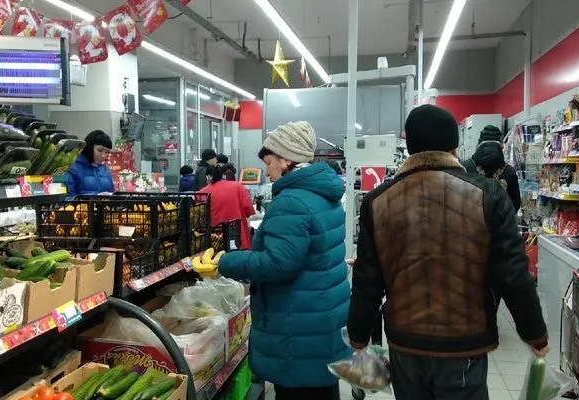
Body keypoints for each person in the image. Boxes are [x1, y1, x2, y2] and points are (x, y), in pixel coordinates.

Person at [347, 105, 548, 400]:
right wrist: (534, 333)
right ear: (454, 148)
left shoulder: (378, 201)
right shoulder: (489, 195)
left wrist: (358, 336)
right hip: (464, 343)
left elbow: (367, 279)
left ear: (410, 148)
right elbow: (513, 274)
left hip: (405, 342)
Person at [218, 121, 350, 400]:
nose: (267, 171)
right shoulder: (324, 194)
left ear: (286, 159)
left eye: (269, 162)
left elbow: (278, 264)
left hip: (296, 323)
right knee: (322, 387)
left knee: (298, 391)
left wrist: (228, 262)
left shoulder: (291, 201)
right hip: (320, 315)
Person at [462, 125, 521, 211]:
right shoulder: (509, 171)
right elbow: (515, 204)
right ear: (501, 145)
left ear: (478, 144)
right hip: (500, 218)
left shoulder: (465, 167)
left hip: (470, 217)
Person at [197, 165, 255, 249]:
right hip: (237, 236)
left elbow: (198, 217)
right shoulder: (237, 186)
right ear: (223, 175)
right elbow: (248, 210)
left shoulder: (201, 193)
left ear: (208, 177)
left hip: (213, 239)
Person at [66, 130, 114, 197]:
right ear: (89, 147)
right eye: (100, 150)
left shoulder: (105, 169)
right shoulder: (73, 168)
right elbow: (67, 198)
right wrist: (94, 198)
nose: (103, 155)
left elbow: (112, 191)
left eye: (107, 152)